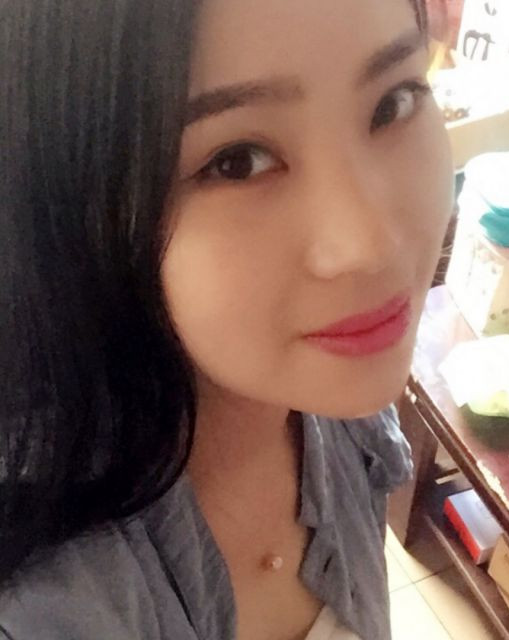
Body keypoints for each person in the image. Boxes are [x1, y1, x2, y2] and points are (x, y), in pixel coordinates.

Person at [0, 0, 453, 638]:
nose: (371, 246)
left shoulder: (326, 389)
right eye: (237, 160)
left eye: (393, 103)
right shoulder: (47, 604)